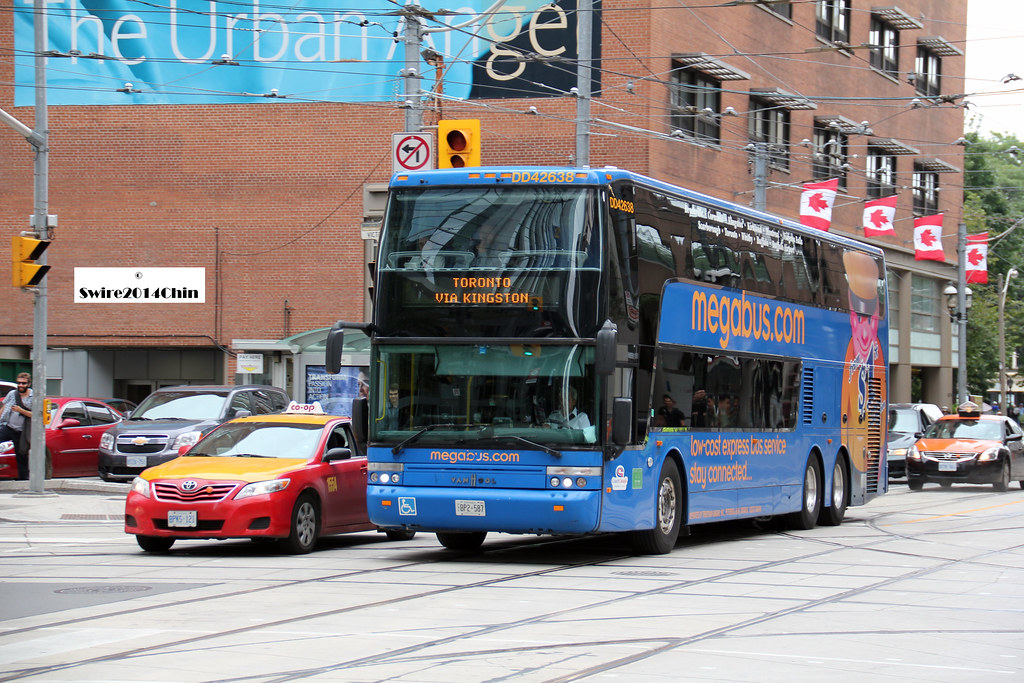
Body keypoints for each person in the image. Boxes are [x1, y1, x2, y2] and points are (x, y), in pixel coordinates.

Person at [0, 373, 33, 480]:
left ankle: (23, 479)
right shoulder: (12, 394)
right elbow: (4, 407)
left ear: (29, 383)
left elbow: (36, 415)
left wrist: (21, 410)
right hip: (8, 426)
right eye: (19, 383)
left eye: (23, 383)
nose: (21, 385)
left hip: (22, 431)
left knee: (21, 455)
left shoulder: (33, 397)